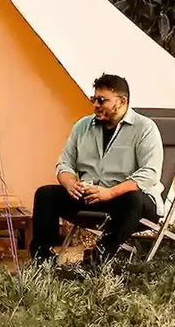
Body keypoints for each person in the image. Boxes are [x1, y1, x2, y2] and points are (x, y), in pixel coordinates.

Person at [30, 74, 164, 265]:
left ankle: (99, 257)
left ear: (122, 101)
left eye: (102, 100)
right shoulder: (82, 126)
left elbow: (150, 173)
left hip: (128, 200)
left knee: (132, 199)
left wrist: (110, 193)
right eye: (94, 99)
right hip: (92, 196)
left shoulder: (145, 128)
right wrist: (69, 183)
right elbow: (65, 163)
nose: (96, 105)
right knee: (45, 195)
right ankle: (42, 258)